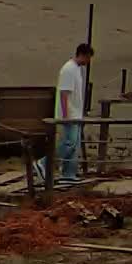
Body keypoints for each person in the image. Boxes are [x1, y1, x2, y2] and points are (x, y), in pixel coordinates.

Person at [56, 44, 93, 182]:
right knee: (69, 143)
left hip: (75, 114)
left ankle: (69, 174)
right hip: (70, 115)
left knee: (74, 145)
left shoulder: (77, 69)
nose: (88, 61)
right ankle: (44, 163)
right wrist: (65, 115)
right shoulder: (69, 69)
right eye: (88, 58)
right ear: (83, 55)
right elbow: (64, 93)